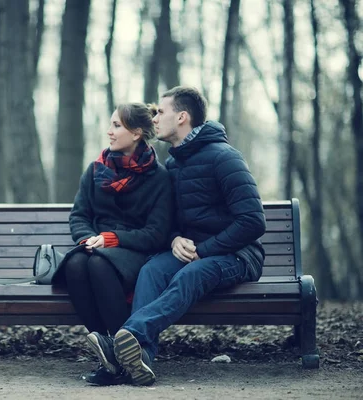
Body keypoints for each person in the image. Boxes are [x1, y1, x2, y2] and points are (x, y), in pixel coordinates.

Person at [86, 86, 266, 386]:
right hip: (193, 251)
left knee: (191, 274)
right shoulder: (174, 164)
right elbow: (169, 221)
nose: (154, 118)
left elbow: (252, 221)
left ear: (182, 117)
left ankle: (126, 341)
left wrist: (205, 249)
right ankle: (140, 360)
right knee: (152, 271)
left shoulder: (224, 157)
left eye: (161, 112)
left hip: (238, 255)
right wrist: (174, 239)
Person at [59, 103, 174, 386]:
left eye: (117, 126)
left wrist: (114, 239)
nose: (109, 132)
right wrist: (86, 239)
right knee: (74, 264)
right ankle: (108, 354)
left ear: (136, 133)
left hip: (136, 253)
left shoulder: (158, 177)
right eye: (111, 125)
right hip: (96, 246)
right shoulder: (96, 170)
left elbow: (157, 233)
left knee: (99, 265)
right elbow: (79, 216)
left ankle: (125, 354)